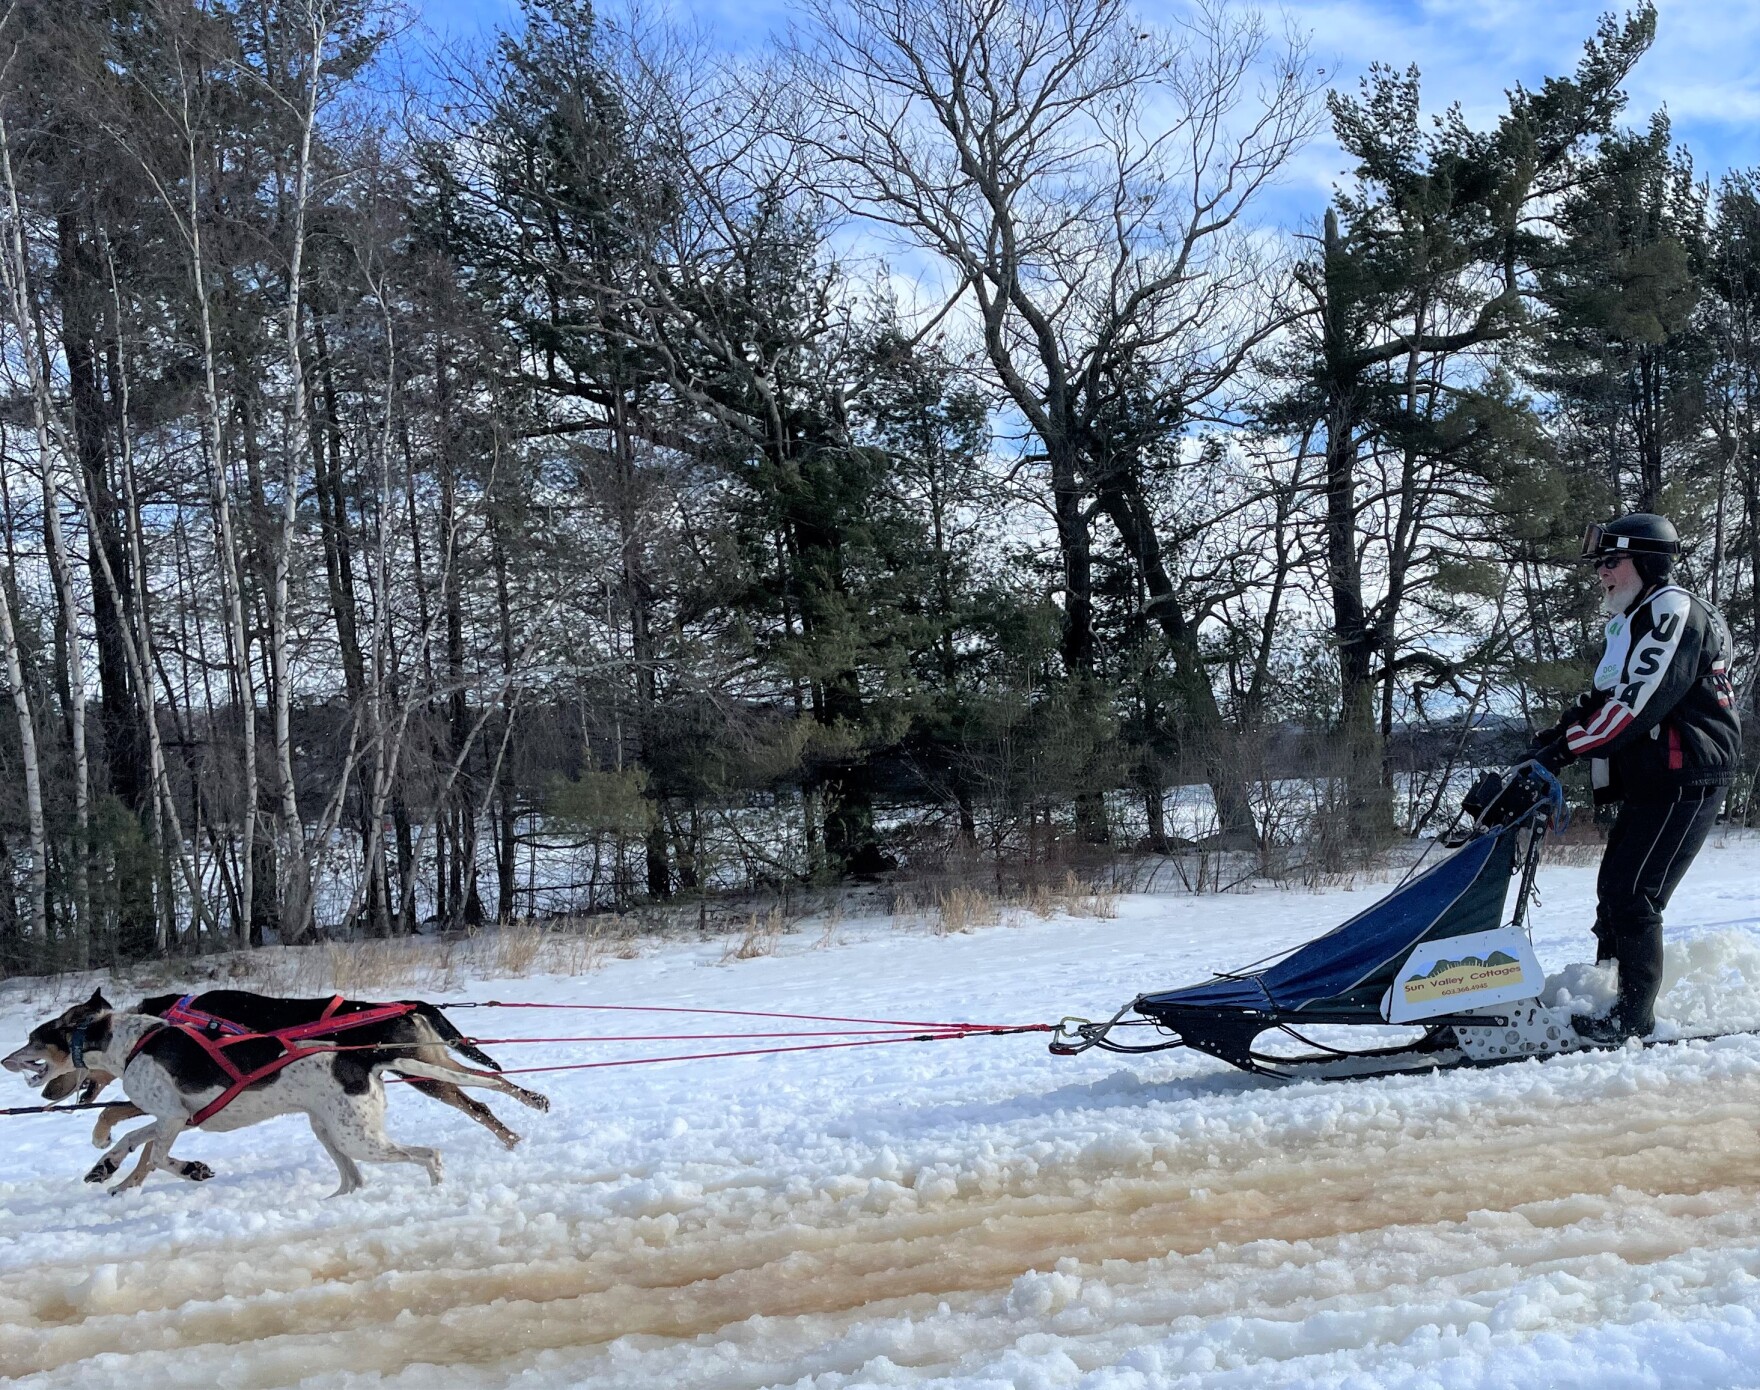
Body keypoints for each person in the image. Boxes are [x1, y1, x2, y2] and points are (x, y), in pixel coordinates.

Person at [1528, 513, 1741, 1043]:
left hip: (1684, 773)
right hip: (1657, 777)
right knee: (1613, 894)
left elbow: (1636, 705)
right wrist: (1557, 733)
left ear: (1646, 562)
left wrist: (1564, 750)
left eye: (1610, 561)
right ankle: (1606, 997)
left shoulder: (1671, 610)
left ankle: (1631, 1019)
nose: (1601, 572)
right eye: (1600, 563)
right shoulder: (1635, 617)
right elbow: (1605, 697)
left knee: (1634, 895)